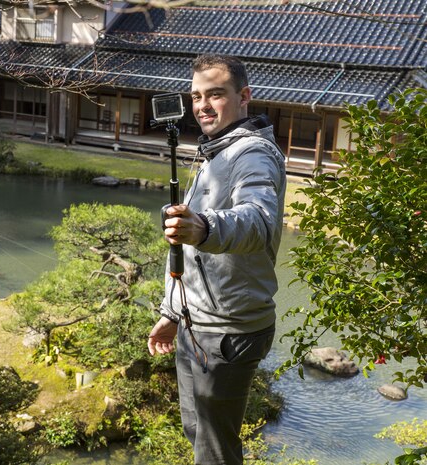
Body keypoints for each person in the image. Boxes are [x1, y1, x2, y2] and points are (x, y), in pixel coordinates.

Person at [147, 54, 287, 465]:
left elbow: (257, 219)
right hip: (196, 321)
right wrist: (173, 312)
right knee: (198, 432)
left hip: (228, 331)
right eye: (195, 96)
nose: (202, 105)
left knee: (215, 451)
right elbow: (192, 255)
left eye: (215, 94)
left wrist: (205, 227)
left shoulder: (252, 155)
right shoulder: (216, 152)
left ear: (243, 97)